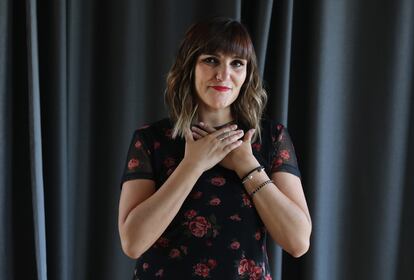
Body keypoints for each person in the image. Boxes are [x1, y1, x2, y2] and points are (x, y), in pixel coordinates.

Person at [118, 17, 312, 279]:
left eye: (237, 64)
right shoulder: (152, 139)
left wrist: (247, 166)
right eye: (211, 60)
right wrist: (192, 165)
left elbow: (298, 242)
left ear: (247, 74)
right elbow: (132, 243)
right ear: (190, 67)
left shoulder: (270, 139)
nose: (223, 75)